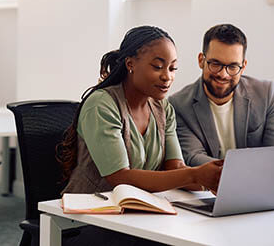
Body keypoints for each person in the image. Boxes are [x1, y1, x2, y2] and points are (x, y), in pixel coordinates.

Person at [57, 26, 223, 245]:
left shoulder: (163, 107)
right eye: (157, 67)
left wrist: (216, 178)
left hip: (139, 217)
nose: (167, 77)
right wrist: (195, 175)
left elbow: (174, 167)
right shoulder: (102, 104)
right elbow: (119, 178)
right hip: (89, 221)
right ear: (130, 64)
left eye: (173, 69)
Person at [168, 24, 274, 166]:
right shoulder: (178, 105)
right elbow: (193, 157)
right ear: (201, 60)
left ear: (243, 66)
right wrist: (243, 171)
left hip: (260, 184)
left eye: (232, 66)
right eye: (215, 64)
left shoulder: (267, 94)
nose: (223, 74)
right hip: (210, 187)